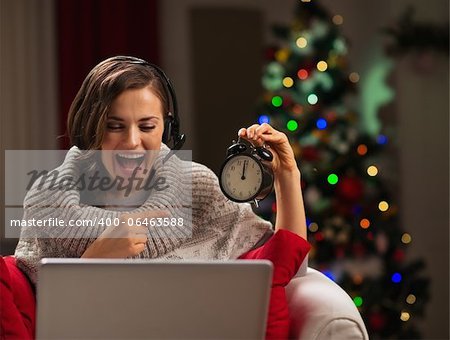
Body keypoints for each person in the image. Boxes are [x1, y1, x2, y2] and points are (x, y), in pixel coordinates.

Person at [13, 56, 311, 339]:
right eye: (114, 126)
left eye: (147, 126)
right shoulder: (47, 200)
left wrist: (287, 174)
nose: (131, 142)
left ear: (167, 129)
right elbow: (49, 327)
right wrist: (97, 257)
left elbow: (291, 267)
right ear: (90, 127)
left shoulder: (199, 189)